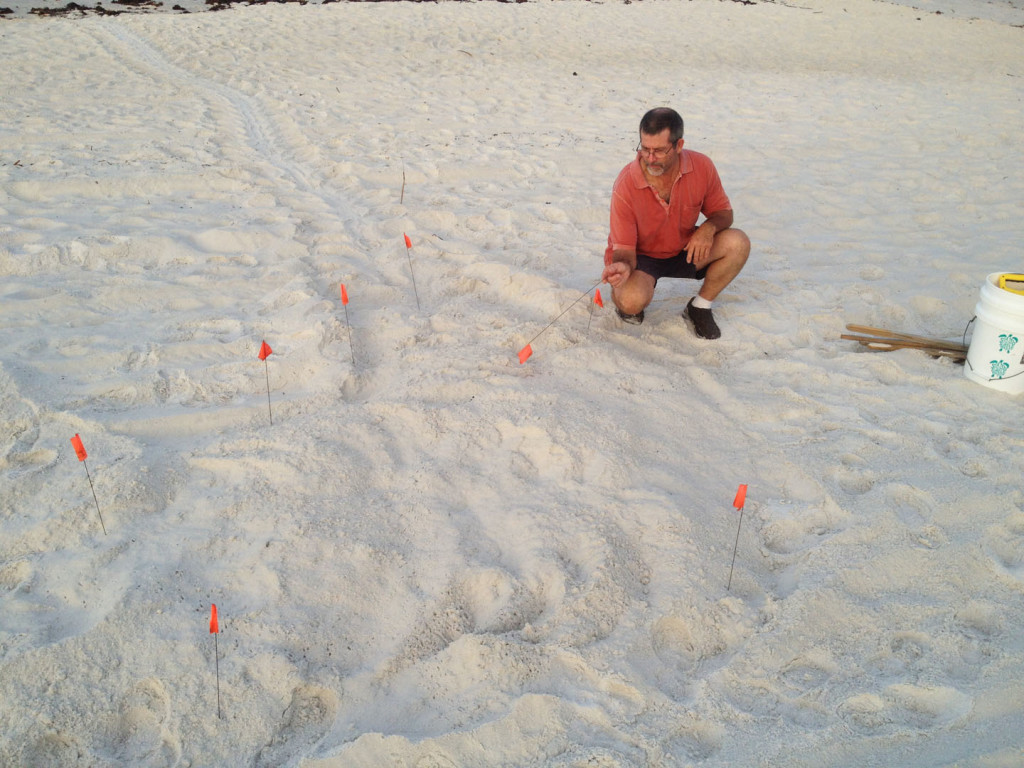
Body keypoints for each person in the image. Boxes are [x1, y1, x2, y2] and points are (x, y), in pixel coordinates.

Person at [601, 108, 750, 339]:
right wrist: (622, 268)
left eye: (659, 151)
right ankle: (626, 297)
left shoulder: (702, 166)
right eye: (645, 149)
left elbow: (724, 214)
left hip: (684, 248)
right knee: (631, 302)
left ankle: (699, 307)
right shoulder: (625, 184)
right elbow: (624, 250)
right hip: (642, 258)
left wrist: (708, 229)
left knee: (738, 242)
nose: (649, 158)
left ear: (679, 145)